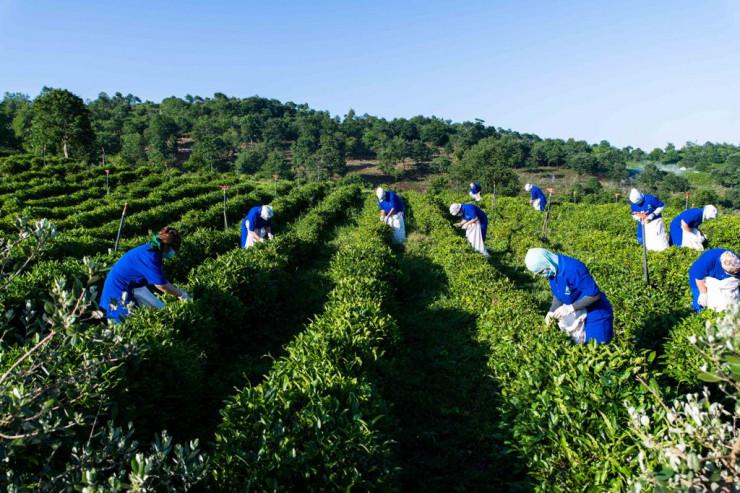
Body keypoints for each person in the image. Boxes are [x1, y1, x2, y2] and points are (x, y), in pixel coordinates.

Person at [100, 226, 191, 323]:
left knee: (147, 314)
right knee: (125, 326)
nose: (173, 253)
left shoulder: (151, 250)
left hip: (130, 287)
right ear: (167, 246)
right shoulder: (150, 257)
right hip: (117, 291)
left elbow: (161, 279)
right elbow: (161, 286)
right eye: (174, 249)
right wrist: (180, 294)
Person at [525, 248, 614, 344]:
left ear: (546, 262)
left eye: (541, 271)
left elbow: (595, 295)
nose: (543, 274)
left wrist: (570, 308)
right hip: (579, 312)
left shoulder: (573, 269)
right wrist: (551, 311)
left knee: (597, 347)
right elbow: (558, 293)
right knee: (580, 347)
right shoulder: (552, 269)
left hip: (595, 313)